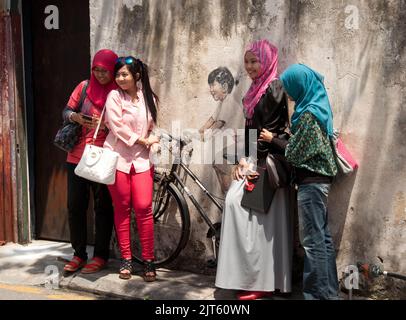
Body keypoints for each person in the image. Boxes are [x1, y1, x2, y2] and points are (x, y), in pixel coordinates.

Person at [215, 40, 293, 300]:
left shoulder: (274, 87)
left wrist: (249, 163)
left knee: (246, 212)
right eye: (247, 61)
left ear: (267, 60)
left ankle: (260, 282)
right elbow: (251, 131)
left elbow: (267, 132)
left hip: (267, 163)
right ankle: (248, 279)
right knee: (242, 211)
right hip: (255, 158)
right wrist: (241, 160)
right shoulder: (257, 88)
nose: (249, 66)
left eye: (254, 61)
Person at [279, 63, 339, 300]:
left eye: (289, 87)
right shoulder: (318, 107)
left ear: (299, 85)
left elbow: (294, 153)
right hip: (319, 182)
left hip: (311, 184)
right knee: (322, 241)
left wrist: (280, 140)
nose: (287, 92)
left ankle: (316, 296)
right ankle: (330, 294)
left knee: (313, 244)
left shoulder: (307, 115)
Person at [103, 56, 160, 282]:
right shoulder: (114, 96)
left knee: (145, 208)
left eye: (124, 74)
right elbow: (116, 126)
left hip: (143, 161)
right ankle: (126, 259)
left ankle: (148, 260)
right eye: (117, 74)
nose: (119, 78)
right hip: (118, 159)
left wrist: (152, 140)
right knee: (122, 208)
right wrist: (141, 140)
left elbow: (153, 126)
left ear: (137, 75)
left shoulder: (150, 98)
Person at [62, 49, 118, 274]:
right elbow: (66, 111)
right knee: (75, 206)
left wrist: (106, 126)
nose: (100, 74)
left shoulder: (117, 92)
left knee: (103, 207)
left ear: (113, 70)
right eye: (96, 69)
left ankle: (101, 255)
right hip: (76, 156)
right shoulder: (84, 86)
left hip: (104, 156)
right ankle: (78, 254)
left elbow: (126, 123)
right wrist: (75, 117)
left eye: (105, 70)